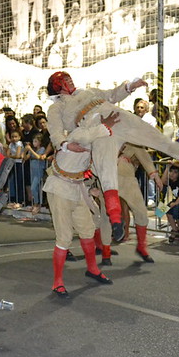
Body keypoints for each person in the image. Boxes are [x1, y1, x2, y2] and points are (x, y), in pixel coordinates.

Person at [46, 71, 179, 244]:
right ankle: (116, 219)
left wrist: (130, 86)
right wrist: (66, 145)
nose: (70, 82)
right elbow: (55, 132)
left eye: (70, 78)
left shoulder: (89, 91)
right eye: (65, 80)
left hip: (115, 115)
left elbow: (112, 94)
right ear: (57, 85)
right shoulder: (57, 107)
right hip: (94, 127)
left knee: (157, 138)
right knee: (106, 172)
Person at [42, 113, 118, 299]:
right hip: (59, 187)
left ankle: (92, 269)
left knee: (88, 230)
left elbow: (94, 166)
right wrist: (106, 126)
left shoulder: (94, 141)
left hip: (77, 187)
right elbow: (86, 137)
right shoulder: (77, 135)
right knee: (64, 237)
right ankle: (57, 282)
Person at [116, 143, 162, 262]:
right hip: (107, 174)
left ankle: (141, 245)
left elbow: (143, 155)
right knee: (103, 211)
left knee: (140, 211)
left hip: (127, 176)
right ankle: (104, 248)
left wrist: (154, 174)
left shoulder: (133, 140)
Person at [161, 164, 179, 244]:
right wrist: (167, 168)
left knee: (176, 209)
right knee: (163, 208)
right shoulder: (170, 180)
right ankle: (174, 229)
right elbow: (163, 181)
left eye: (175, 172)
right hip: (173, 200)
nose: (172, 174)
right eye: (171, 171)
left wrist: (176, 202)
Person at [26, 133, 48, 215]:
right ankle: (35, 203)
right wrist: (26, 150)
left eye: (35, 141)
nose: (34, 143)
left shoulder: (42, 149)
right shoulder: (33, 150)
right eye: (33, 141)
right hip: (32, 171)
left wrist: (30, 150)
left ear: (40, 142)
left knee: (33, 188)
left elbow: (39, 157)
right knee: (34, 189)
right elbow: (25, 157)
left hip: (38, 171)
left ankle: (37, 203)